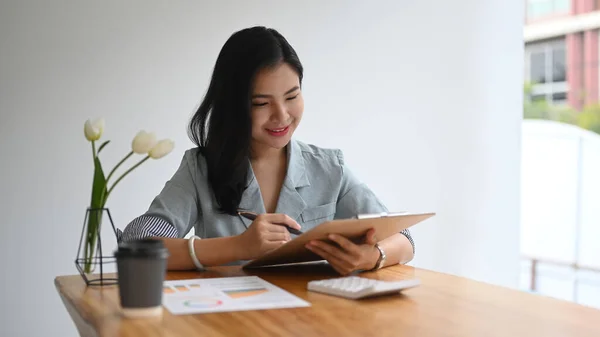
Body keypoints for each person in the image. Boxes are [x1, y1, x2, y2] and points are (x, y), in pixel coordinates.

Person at [121, 26, 414, 275]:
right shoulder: (201, 168)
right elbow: (137, 242)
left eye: (292, 96)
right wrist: (239, 246)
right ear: (233, 106)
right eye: (261, 103)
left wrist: (372, 256)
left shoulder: (330, 167)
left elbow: (403, 237)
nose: (282, 115)